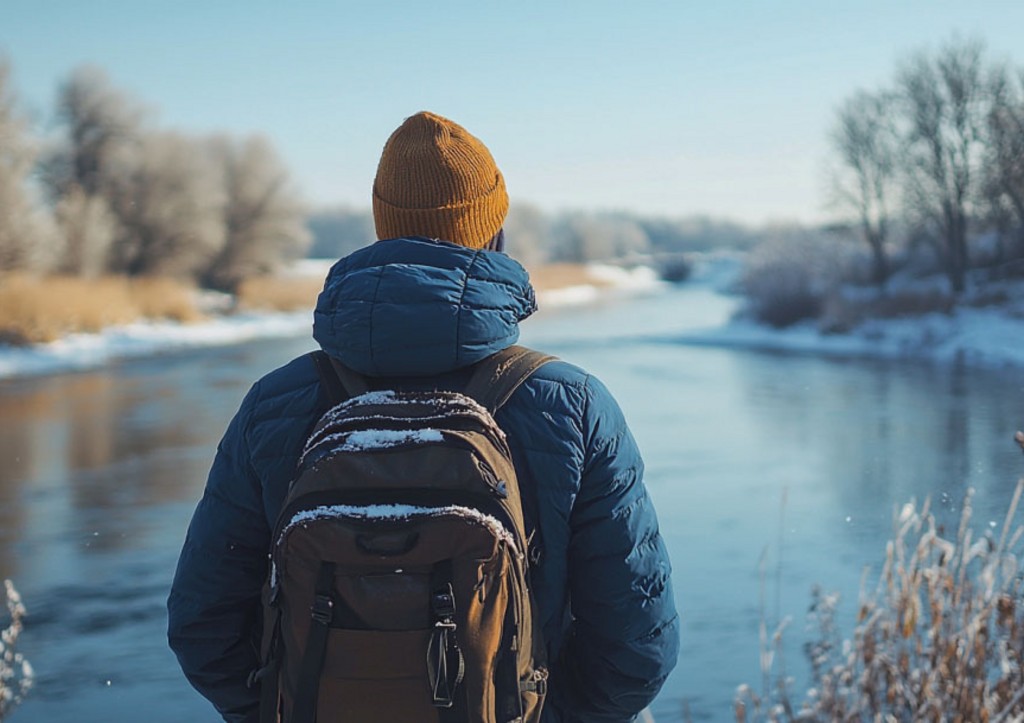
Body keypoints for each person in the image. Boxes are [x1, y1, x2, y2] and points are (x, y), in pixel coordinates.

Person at [168, 111, 679, 722]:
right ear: (494, 234)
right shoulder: (573, 403)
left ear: (384, 229)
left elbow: (204, 628)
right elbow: (637, 647)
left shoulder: (277, 402)